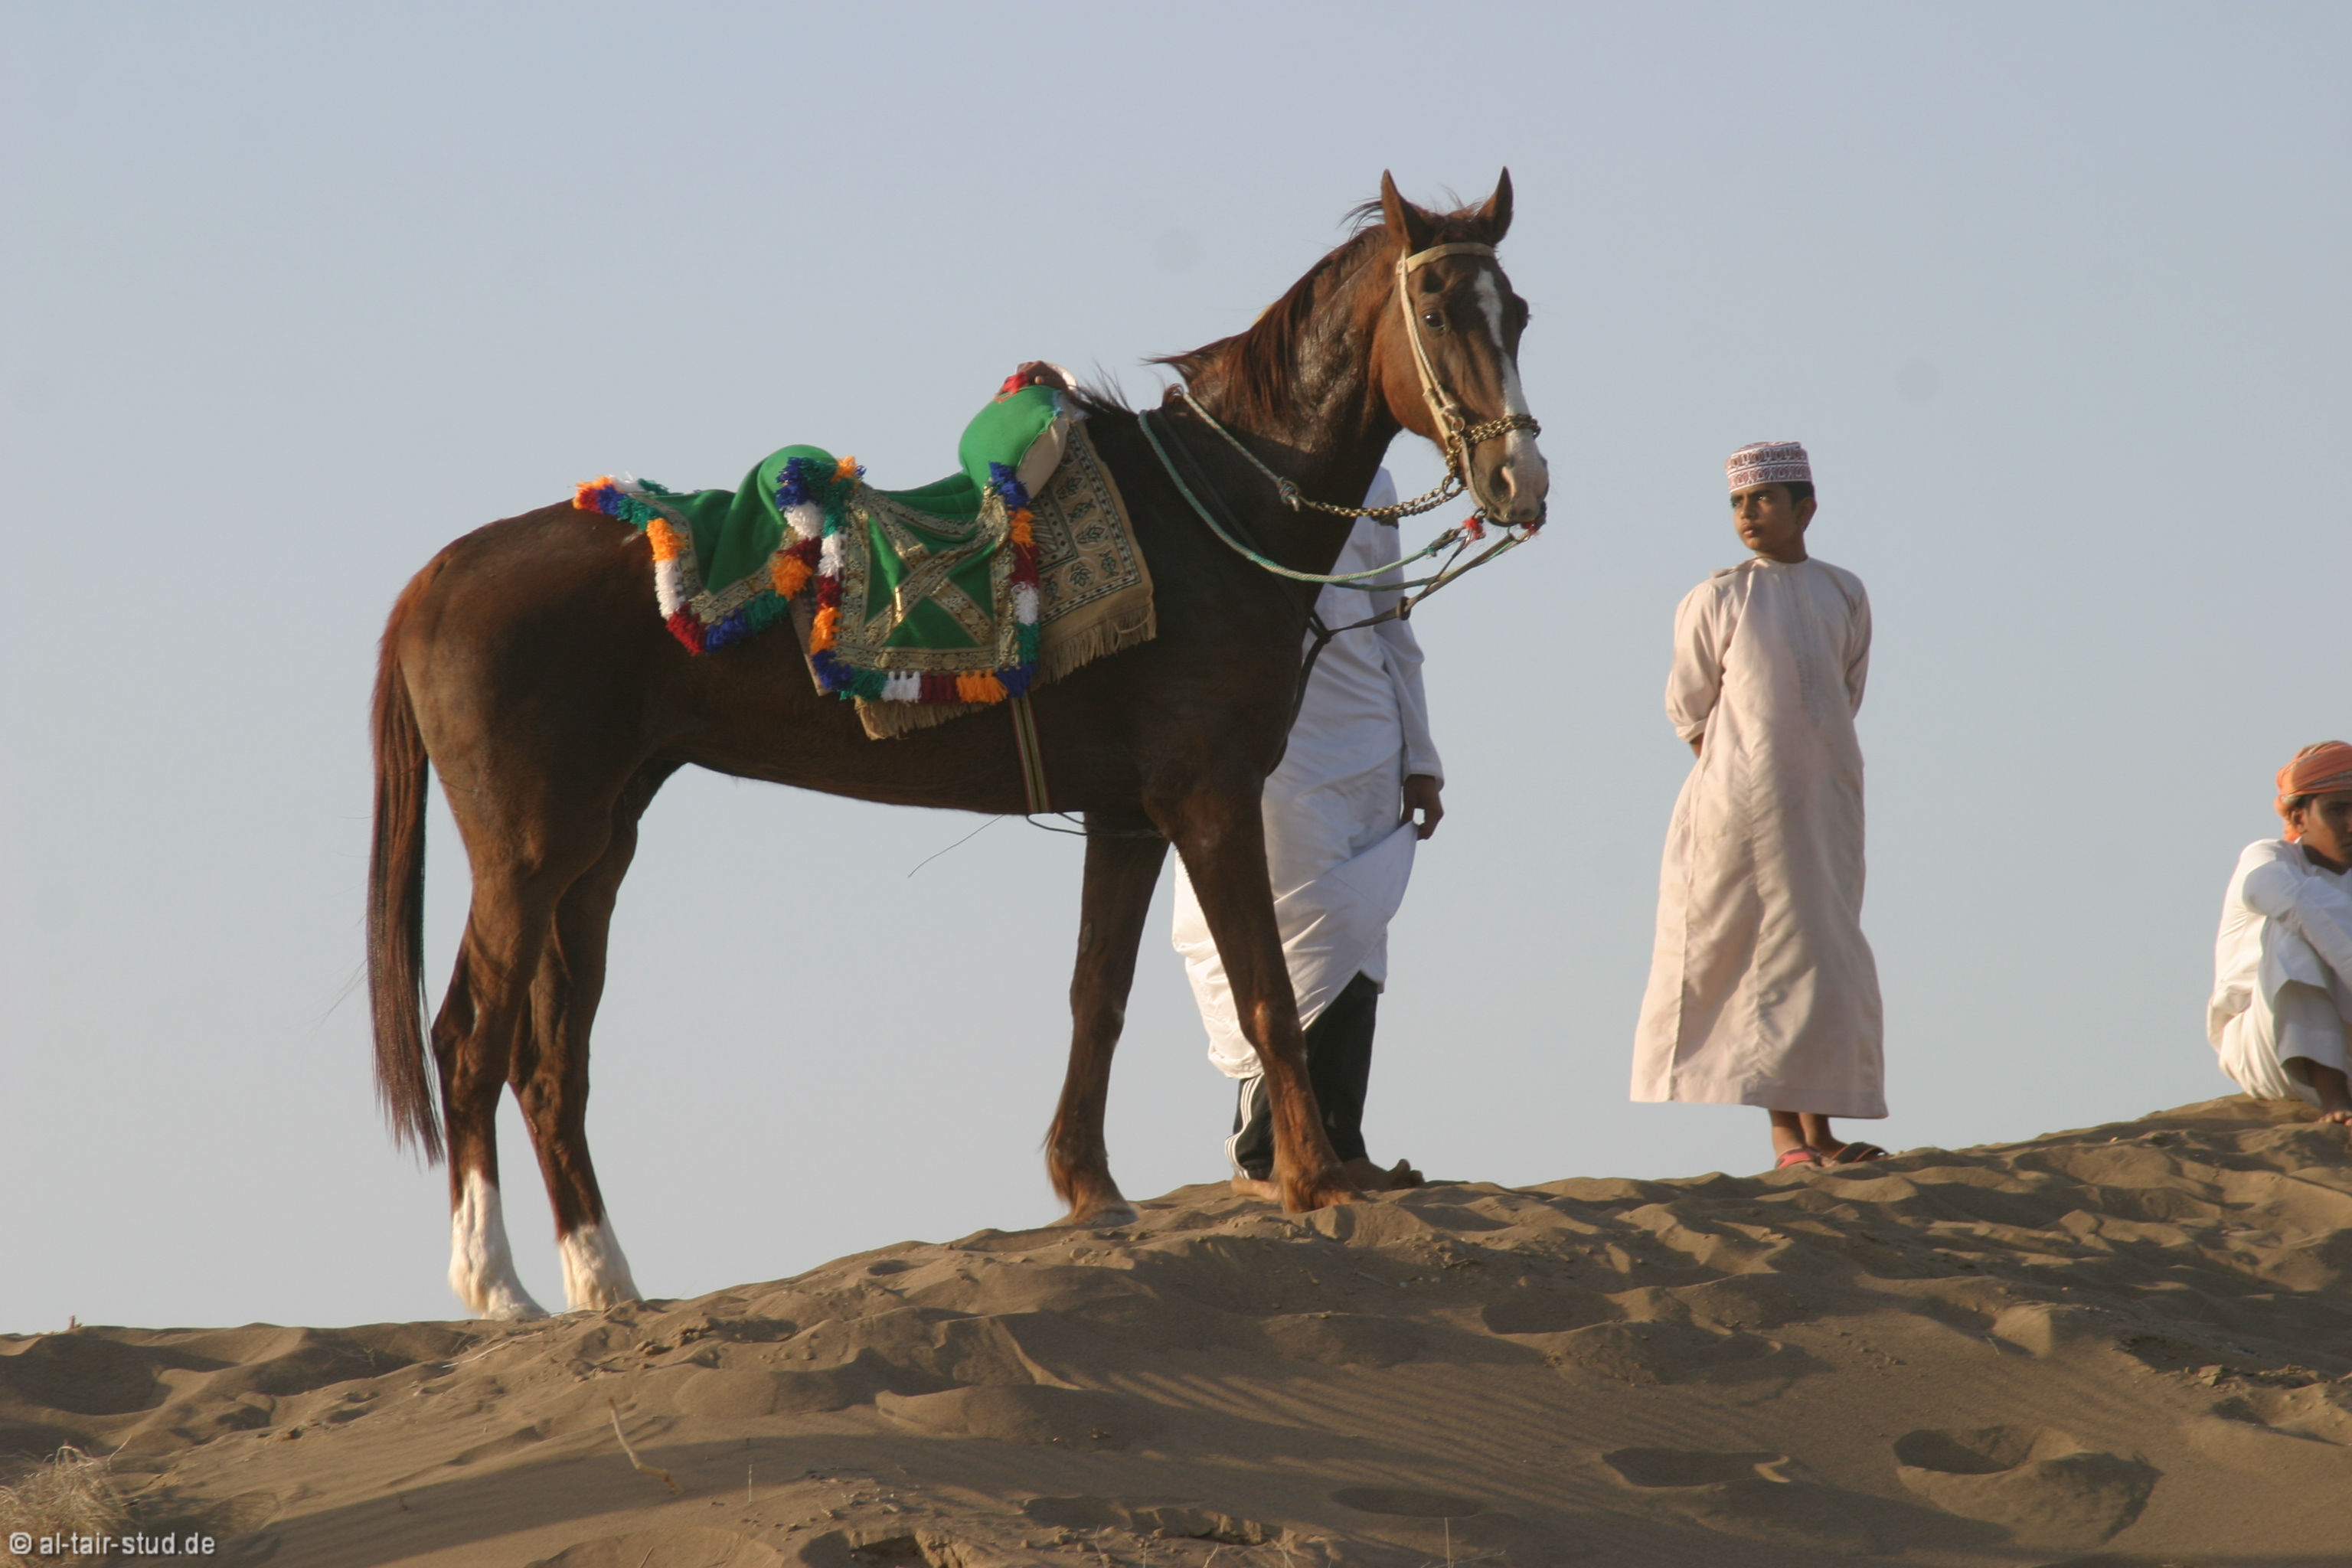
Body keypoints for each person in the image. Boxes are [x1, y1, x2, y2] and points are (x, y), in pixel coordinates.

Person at [1171, 469, 1441, 1198]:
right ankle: (1264, 1154)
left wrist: (1421, 759)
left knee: (1360, 933)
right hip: (1267, 742)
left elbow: (1392, 620)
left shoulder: (1372, 478)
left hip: (1369, 736)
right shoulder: (1219, 459)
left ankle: (1342, 1145)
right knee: (1287, 932)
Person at [1631, 440, 1888, 1170]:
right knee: (1760, 958)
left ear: (1805, 510)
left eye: (1764, 499)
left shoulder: (1844, 591)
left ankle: (1824, 1133)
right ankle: (1786, 1138)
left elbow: (1846, 691)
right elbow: (1689, 709)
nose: (1748, 514)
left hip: (1827, 803)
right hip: (1741, 811)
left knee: (1824, 956)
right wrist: (1743, 779)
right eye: (1738, 502)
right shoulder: (1716, 598)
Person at [2207, 741, 2352, 1133]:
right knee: (2292, 929)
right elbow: (2297, 904)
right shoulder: (2268, 860)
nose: (2351, 823)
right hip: (2270, 1047)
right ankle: (2335, 1100)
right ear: (2300, 818)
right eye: (2338, 809)